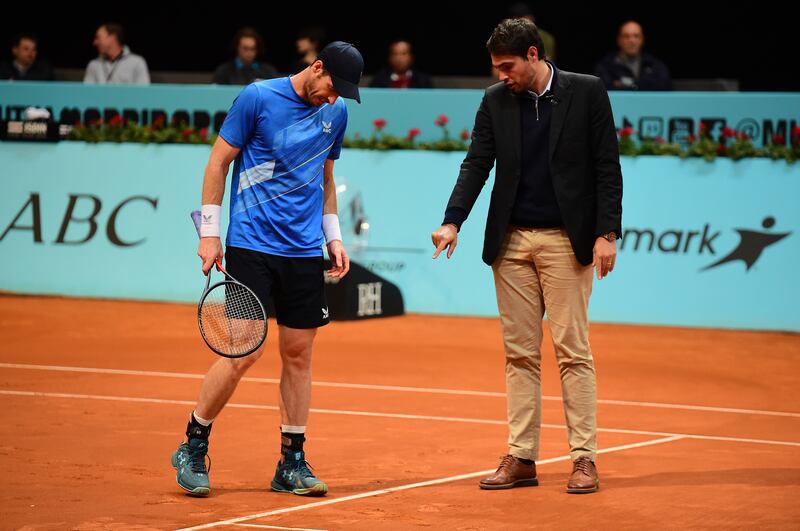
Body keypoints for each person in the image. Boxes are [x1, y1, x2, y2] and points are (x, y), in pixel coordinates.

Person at [431, 18, 622, 494]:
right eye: (496, 67)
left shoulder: (588, 91)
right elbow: (477, 162)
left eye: (508, 66)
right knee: (519, 355)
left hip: (565, 242)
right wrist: (453, 220)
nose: (501, 75)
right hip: (511, 243)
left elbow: (607, 167)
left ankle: (584, 459)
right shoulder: (495, 100)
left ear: (533, 55)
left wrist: (608, 232)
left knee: (572, 352)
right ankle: (521, 457)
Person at [170, 41, 364, 498]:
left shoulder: (335, 114)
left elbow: (326, 179)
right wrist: (210, 233)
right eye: (331, 88)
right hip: (251, 246)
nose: (332, 99)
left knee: (299, 355)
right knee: (244, 353)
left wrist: (333, 237)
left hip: (302, 252)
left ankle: (291, 461)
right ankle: (193, 444)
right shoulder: (258, 97)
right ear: (316, 68)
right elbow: (218, 162)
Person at [594, 20, 671, 91]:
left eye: (636, 36)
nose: (631, 40)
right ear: (619, 40)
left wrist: (629, 85)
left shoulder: (656, 66)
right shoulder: (605, 66)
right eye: (626, 36)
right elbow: (601, 92)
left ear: (642, 40)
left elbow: (665, 90)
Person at [83, 23, 150, 84]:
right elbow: (87, 93)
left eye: (98, 38)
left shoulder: (137, 63)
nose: (95, 42)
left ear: (112, 38)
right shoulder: (93, 65)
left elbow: (143, 93)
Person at [212, 27, 279, 85]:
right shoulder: (223, 71)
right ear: (237, 48)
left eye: (253, 49)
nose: (249, 53)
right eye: (245, 48)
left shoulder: (268, 71)